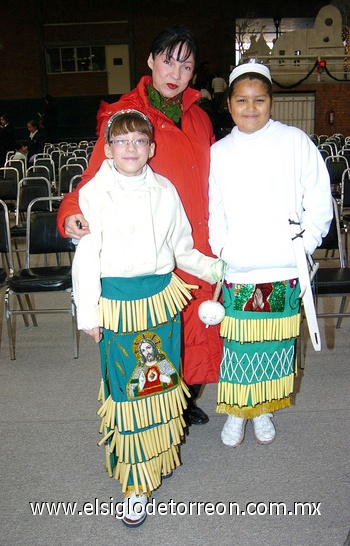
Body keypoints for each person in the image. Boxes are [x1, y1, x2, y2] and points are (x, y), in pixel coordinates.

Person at [57, 25, 223, 425]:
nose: (175, 72)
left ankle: (184, 399)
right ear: (150, 61)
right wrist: (70, 212)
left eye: (185, 65)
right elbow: (93, 177)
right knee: (155, 336)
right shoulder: (126, 117)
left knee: (197, 326)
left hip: (197, 240)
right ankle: (154, 405)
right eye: (168, 60)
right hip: (151, 247)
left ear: (193, 73)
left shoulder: (200, 118)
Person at [71, 109, 223, 526]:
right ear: (107, 148)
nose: (131, 148)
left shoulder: (165, 189)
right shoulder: (94, 194)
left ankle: (156, 457)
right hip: (119, 304)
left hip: (161, 302)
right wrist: (88, 310)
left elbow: (183, 248)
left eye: (139, 141)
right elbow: (86, 257)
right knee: (127, 390)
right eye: (122, 141)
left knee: (163, 383)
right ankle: (135, 484)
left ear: (152, 148)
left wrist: (217, 269)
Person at [208, 61, 333, 449]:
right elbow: (216, 210)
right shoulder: (219, 151)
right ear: (229, 104)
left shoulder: (294, 142)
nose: (250, 107)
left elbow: (318, 199)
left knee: (276, 347)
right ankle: (235, 411)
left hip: (282, 269)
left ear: (271, 102)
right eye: (242, 100)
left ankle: (263, 409)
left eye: (259, 100)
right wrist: (222, 250)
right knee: (239, 347)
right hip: (240, 272)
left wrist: (302, 246)